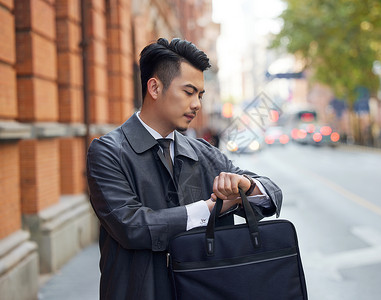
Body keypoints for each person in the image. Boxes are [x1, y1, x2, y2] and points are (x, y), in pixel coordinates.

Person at [86, 38, 282, 300]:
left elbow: (271, 195)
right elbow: (131, 226)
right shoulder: (108, 152)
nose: (197, 104)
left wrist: (246, 186)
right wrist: (210, 210)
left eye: (200, 95)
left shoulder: (203, 153)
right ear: (154, 87)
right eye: (188, 92)